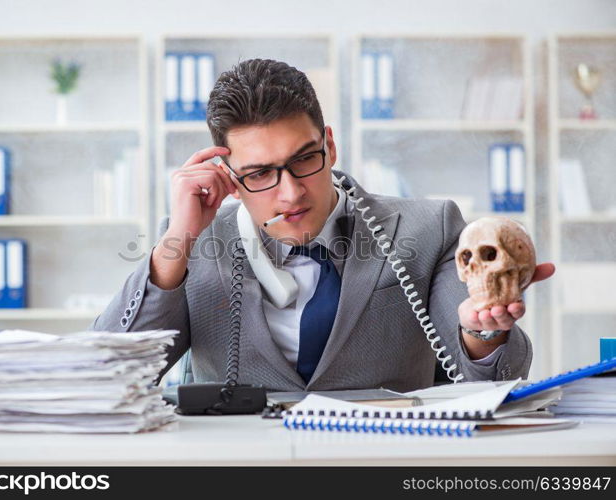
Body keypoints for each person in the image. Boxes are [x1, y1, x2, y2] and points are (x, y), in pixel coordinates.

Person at [90, 59, 554, 392]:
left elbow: (498, 380)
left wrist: (483, 333)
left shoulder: (429, 228)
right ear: (230, 178)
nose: (290, 193)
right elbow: (106, 378)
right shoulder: (194, 242)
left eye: (304, 159)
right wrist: (178, 242)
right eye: (259, 173)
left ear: (329, 145)